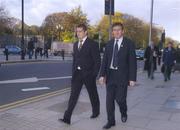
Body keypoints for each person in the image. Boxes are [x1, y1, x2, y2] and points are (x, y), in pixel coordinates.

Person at [59, 23, 101, 124]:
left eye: (80, 31)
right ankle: (67, 117)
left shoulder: (93, 44)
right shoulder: (75, 44)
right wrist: (73, 72)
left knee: (93, 94)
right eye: (77, 31)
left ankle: (96, 111)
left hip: (88, 75)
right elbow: (75, 60)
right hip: (77, 74)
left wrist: (93, 75)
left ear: (86, 32)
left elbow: (97, 61)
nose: (78, 33)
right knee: (73, 96)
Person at [99, 22, 137, 129]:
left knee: (120, 99)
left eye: (119, 29)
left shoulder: (129, 43)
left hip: (122, 77)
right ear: (112, 32)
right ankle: (111, 121)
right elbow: (105, 61)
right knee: (109, 101)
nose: (116, 32)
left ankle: (123, 112)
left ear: (123, 31)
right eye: (114, 30)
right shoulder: (109, 44)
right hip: (110, 76)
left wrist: (132, 78)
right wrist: (102, 75)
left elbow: (132, 62)